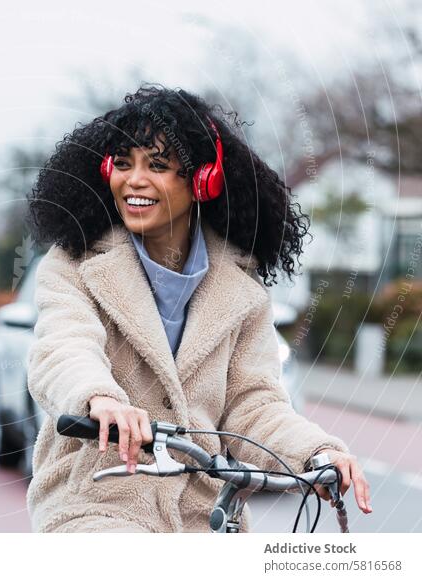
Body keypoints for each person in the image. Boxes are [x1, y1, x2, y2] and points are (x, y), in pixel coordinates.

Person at [23, 84, 372, 533]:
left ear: (202, 182)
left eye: (158, 166)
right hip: (96, 503)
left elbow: (255, 403)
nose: (134, 180)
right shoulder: (76, 262)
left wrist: (317, 453)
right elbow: (63, 345)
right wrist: (99, 397)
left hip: (204, 515)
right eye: (123, 164)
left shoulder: (241, 288)